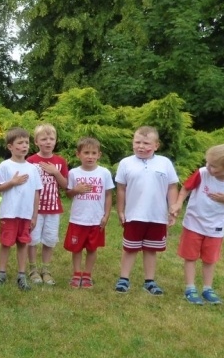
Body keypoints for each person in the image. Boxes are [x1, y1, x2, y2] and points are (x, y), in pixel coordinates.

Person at [171, 144, 224, 305]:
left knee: (209, 259)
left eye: (213, 166)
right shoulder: (202, 173)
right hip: (194, 222)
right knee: (190, 256)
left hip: (216, 227)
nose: (207, 166)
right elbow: (186, 188)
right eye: (207, 162)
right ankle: (190, 288)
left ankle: (207, 288)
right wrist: (178, 203)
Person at [114, 126, 179, 295]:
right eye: (137, 142)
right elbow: (121, 189)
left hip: (157, 215)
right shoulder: (126, 163)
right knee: (130, 248)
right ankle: (123, 279)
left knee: (151, 249)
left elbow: (172, 186)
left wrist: (173, 208)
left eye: (146, 143)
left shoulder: (164, 163)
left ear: (156, 145)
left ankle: (149, 281)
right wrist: (120, 210)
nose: (141, 146)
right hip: (134, 214)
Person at [0, 128, 43, 290]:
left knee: (23, 243)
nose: (24, 146)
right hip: (9, 213)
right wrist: (12, 182)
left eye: (26, 142)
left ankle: (22, 275)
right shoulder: (5, 166)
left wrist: (34, 216)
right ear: (10, 147)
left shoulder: (33, 169)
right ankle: (1, 273)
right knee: (6, 243)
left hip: (26, 214)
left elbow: (36, 193)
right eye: (20, 143)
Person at [64, 137, 114, 289]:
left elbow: (108, 195)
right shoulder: (73, 173)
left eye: (94, 153)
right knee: (77, 248)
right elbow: (68, 194)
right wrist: (75, 190)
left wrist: (106, 215)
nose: (90, 156)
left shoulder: (104, 173)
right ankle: (77, 273)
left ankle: (87, 275)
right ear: (78, 154)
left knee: (92, 248)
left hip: (96, 219)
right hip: (78, 219)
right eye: (86, 153)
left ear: (99, 154)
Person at [26, 123, 68, 286]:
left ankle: (46, 270)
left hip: (53, 209)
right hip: (34, 209)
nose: (48, 142)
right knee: (32, 239)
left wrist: (56, 172)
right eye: (44, 139)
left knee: (49, 240)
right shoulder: (31, 161)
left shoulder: (60, 161)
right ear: (36, 141)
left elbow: (65, 185)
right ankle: (33, 269)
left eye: (51, 138)